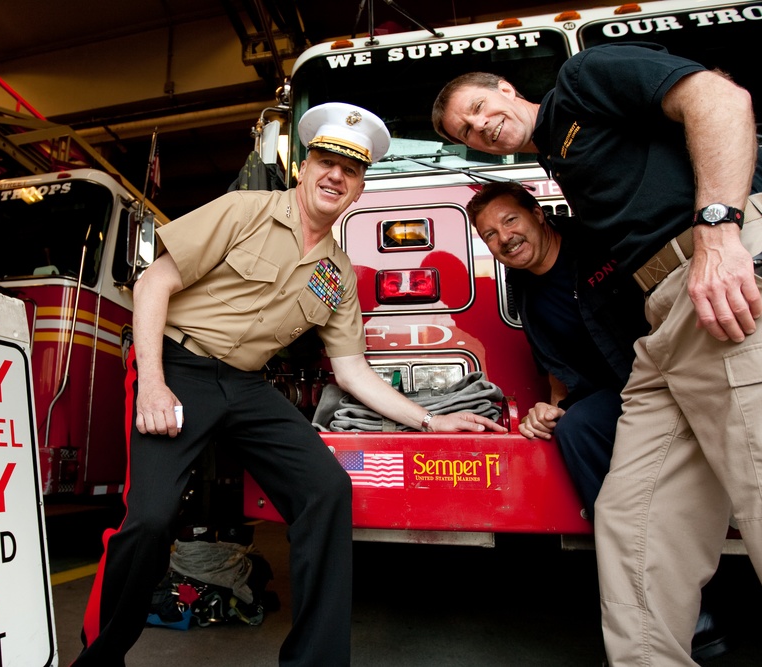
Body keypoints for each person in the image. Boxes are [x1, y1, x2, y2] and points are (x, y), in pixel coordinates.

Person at [73, 102, 507, 667]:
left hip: (248, 386)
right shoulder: (243, 209)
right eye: (326, 161)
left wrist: (431, 419)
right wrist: (153, 384)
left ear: (358, 190)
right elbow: (155, 283)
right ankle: (99, 658)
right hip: (178, 367)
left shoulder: (338, 273)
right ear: (304, 167)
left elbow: (352, 371)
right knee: (150, 519)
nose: (335, 176)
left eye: (349, 171)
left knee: (326, 492)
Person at [433, 43, 762, 665]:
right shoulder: (562, 160)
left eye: (478, 107)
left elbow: (719, 98)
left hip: (712, 280)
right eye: (466, 132)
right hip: (661, 331)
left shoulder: (582, 78)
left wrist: (719, 234)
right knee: (628, 516)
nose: (479, 127)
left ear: (507, 88)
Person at [466, 181, 647, 520]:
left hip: (662, 376)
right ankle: (623, 533)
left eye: (510, 220)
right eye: (490, 234)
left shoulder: (600, 240)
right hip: (614, 396)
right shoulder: (523, 289)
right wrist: (549, 412)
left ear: (538, 213)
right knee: (575, 425)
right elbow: (555, 364)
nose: (504, 238)